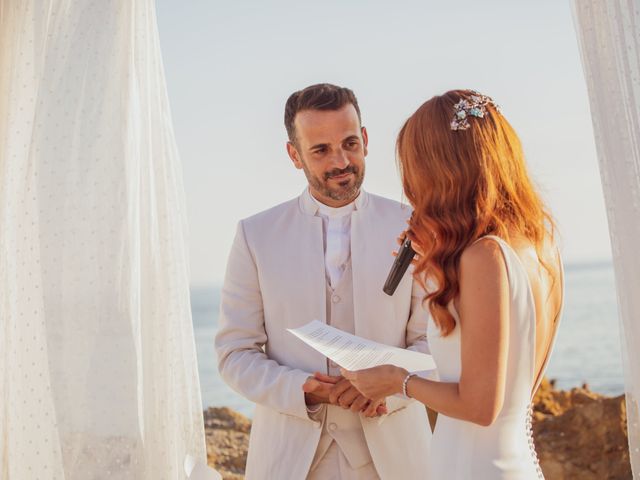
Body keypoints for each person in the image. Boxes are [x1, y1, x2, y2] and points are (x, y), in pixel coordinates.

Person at [341, 90, 564, 479]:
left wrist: (397, 381)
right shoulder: (540, 246)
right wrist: (435, 265)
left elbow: (480, 406)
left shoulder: (484, 258)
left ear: (441, 169)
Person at [215, 83, 433, 480]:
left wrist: (391, 386)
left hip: (396, 461)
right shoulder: (255, 235)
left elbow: (433, 343)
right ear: (294, 155)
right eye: (321, 150)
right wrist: (305, 389)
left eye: (350, 143)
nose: (341, 161)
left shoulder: (415, 225)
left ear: (365, 140)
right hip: (289, 461)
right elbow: (235, 353)